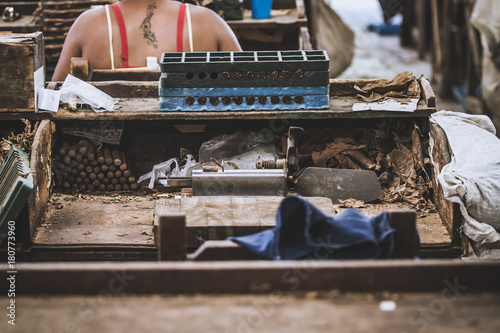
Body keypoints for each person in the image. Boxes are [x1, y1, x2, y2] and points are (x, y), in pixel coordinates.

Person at [52, 0, 242, 81]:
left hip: (111, 158)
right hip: (197, 156)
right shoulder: (209, 22)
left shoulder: (87, 25)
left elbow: (54, 100)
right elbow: (251, 87)